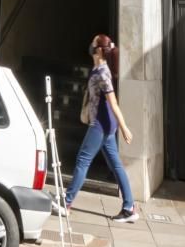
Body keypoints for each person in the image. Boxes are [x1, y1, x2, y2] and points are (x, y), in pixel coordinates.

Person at [53, 33, 139, 224]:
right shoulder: (98, 69)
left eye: (93, 44)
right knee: (116, 166)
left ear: (99, 50)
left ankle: (67, 203)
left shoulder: (102, 73)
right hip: (104, 124)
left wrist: (124, 127)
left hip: (100, 125)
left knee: (83, 160)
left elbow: (113, 102)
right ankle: (129, 208)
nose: (90, 46)